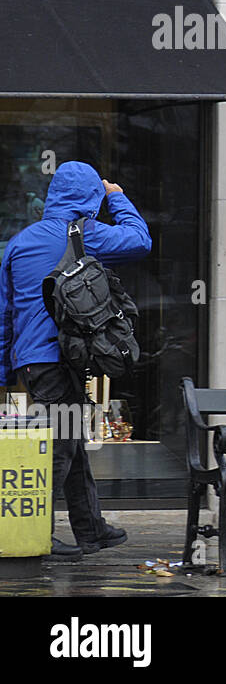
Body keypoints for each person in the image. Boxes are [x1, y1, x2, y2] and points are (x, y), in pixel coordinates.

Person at [0, 162, 152, 562]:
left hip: (35, 362)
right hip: (62, 359)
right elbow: (140, 240)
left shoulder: (20, 242)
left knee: (71, 441)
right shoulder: (87, 234)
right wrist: (116, 197)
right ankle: (38, 535)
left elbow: (4, 313)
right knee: (61, 448)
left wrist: (3, 370)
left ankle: (91, 529)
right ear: (88, 198)